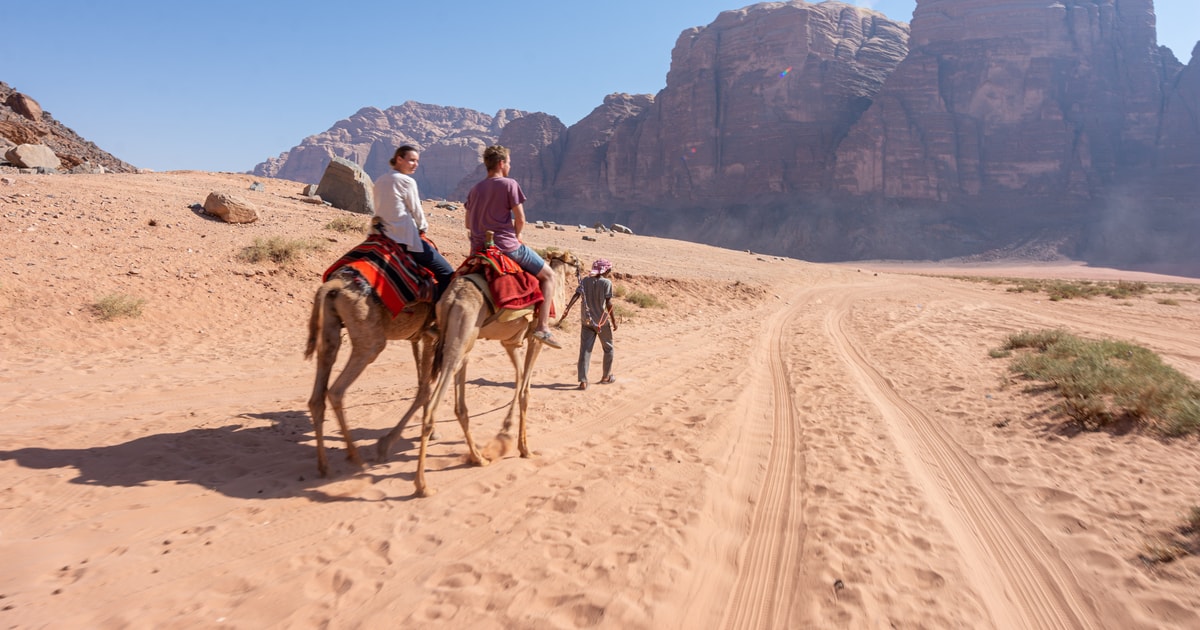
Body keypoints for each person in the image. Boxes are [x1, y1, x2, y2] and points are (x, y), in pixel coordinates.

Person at [464, 145, 561, 348]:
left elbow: (467, 223)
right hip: (506, 247)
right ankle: (543, 328)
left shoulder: (475, 189)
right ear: (501, 163)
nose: (510, 165)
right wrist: (517, 237)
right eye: (509, 162)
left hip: (478, 249)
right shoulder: (509, 184)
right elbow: (521, 219)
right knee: (549, 275)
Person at [373, 144, 454, 301]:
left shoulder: (380, 180)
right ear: (399, 159)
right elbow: (417, 214)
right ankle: (438, 316)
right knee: (447, 273)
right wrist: (423, 227)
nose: (416, 164)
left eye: (417, 161)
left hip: (381, 235)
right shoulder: (407, 181)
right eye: (412, 160)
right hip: (404, 237)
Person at [563, 258, 617, 390]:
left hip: (586, 321)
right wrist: (614, 321)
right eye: (609, 269)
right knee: (608, 348)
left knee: (585, 351)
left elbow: (576, 295)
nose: (610, 271)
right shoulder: (606, 283)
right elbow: (609, 304)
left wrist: (568, 309)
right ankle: (606, 377)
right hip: (601, 322)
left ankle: (583, 381)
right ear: (606, 270)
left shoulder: (585, 281)